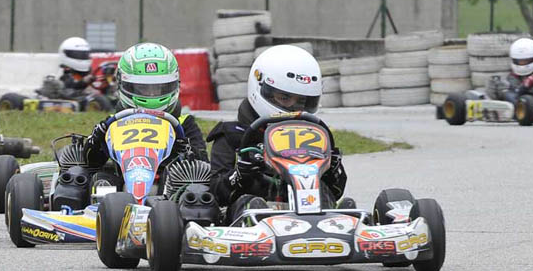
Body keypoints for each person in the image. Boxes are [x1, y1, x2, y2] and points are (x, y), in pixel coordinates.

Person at [207, 44, 347, 222]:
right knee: (251, 203)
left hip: (309, 210)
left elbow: (336, 191)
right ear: (261, 87)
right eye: (284, 98)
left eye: (302, 101)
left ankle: (333, 226)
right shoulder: (232, 135)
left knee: (334, 199)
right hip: (255, 220)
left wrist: (332, 169)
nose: (293, 108)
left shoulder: (312, 137)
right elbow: (215, 193)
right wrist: (239, 174)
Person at [84, 42, 208, 168]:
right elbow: (92, 163)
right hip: (123, 177)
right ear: (124, 84)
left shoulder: (184, 124)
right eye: (143, 89)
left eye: (159, 88)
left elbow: (203, 164)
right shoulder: (113, 124)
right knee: (96, 176)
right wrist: (95, 141)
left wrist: (184, 149)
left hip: (171, 177)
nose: (151, 95)